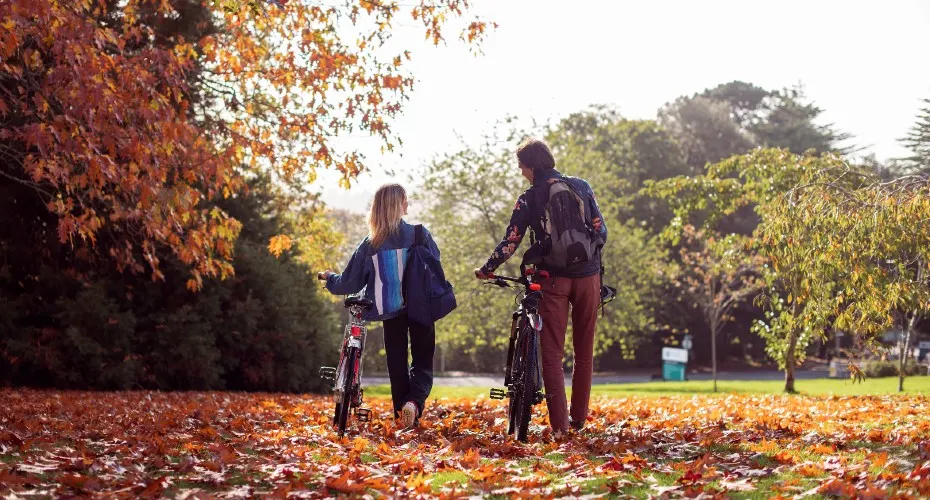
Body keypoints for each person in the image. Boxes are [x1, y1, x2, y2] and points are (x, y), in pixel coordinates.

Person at [475, 138, 607, 434]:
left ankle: (560, 429)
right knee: (584, 352)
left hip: (553, 280)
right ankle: (579, 421)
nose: (520, 171)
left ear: (531, 166)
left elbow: (511, 242)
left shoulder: (528, 198)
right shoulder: (580, 186)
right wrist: (586, 258)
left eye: (521, 166)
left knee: (552, 354)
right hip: (589, 278)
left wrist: (487, 269)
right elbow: (602, 231)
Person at [319, 183, 439, 428]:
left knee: (397, 367)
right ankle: (413, 405)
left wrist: (329, 278)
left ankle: (400, 417)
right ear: (398, 204)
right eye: (405, 200)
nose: (408, 205)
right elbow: (435, 266)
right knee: (422, 362)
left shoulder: (371, 243)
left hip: (390, 310)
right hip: (421, 309)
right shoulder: (419, 234)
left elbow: (349, 283)